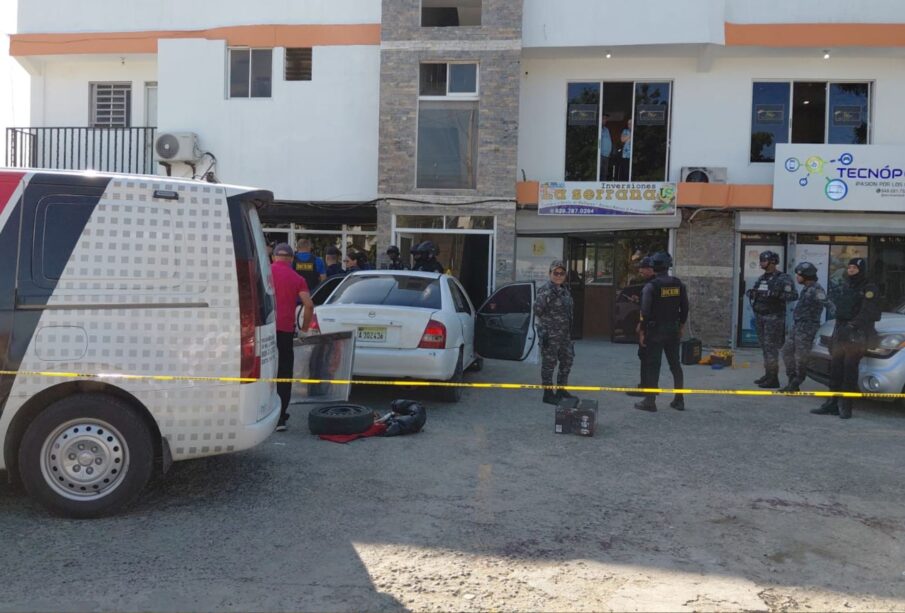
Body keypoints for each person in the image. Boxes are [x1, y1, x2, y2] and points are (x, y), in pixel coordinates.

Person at [812, 257, 881, 419]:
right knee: (835, 369)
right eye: (849, 267)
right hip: (841, 331)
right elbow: (841, 311)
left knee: (849, 371)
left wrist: (852, 326)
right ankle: (832, 404)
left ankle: (846, 406)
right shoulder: (846, 285)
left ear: (861, 270)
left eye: (854, 268)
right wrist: (836, 333)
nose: (850, 270)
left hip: (856, 335)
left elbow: (868, 311)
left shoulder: (869, 288)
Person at [635, 251, 688, 412]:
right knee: (675, 365)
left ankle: (650, 401)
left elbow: (645, 312)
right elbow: (685, 308)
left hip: (655, 332)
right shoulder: (678, 284)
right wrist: (681, 326)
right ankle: (679, 400)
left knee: (653, 365)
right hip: (673, 330)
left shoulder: (651, 286)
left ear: (653, 266)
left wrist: (642, 331)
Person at [271, 243, 314, 432]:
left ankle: (260, 412)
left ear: (274, 257)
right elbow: (309, 305)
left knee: (263, 371)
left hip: (264, 329)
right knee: (284, 372)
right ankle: (280, 417)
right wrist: (304, 328)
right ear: (291, 259)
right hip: (285, 332)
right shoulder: (297, 278)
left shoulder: (265, 273)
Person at [746, 250, 798, 389]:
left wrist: (776, 294)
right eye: (761, 260)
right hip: (760, 316)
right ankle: (769, 374)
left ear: (772, 262)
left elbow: (793, 295)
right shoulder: (762, 278)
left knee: (771, 348)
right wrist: (752, 293)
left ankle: (773, 378)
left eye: (764, 260)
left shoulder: (783, 278)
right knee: (765, 347)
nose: (761, 263)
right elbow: (757, 292)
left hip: (773, 317)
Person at [779, 262, 827, 392]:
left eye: (799, 275)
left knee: (801, 357)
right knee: (786, 351)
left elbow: (827, 303)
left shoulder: (816, 290)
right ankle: (792, 379)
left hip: (807, 328)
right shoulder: (806, 288)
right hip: (798, 326)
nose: (797, 277)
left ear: (806, 276)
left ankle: (796, 382)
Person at [535, 260, 575, 405]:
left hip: (565, 335)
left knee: (567, 360)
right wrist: (547, 327)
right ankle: (547, 393)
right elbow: (537, 311)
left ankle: (561, 389)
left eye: (561, 273)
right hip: (550, 335)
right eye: (555, 273)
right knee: (549, 364)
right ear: (550, 274)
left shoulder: (565, 290)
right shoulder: (545, 290)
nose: (558, 276)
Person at [626, 256, 655, 398]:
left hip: (650, 327)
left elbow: (647, 310)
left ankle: (646, 388)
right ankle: (650, 387)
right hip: (658, 326)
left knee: (645, 356)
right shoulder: (655, 283)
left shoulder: (651, 285)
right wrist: (638, 300)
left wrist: (642, 327)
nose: (640, 271)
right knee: (651, 358)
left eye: (642, 268)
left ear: (650, 269)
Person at [599, 113, 612, 182]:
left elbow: (608, 141)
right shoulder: (598, 129)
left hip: (606, 155)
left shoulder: (606, 129)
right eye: (603, 118)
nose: (605, 120)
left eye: (606, 119)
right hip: (600, 155)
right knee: (599, 173)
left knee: (604, 173)